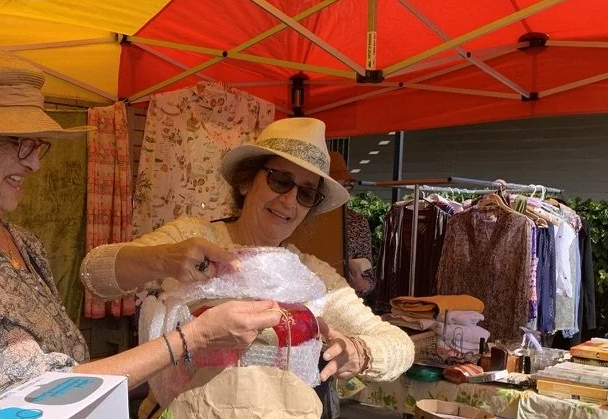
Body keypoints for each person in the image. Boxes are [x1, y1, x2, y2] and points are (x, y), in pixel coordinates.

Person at [0, 50, 283, 419]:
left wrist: (165, 263)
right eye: (19, 142)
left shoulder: (21, 242)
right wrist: (194, 337)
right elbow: (33, 394)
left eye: (38, 144)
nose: (35, 163)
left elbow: (60, 365)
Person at [80, 117, 414, 397]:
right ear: (245, 182)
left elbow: (400, 345)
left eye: (306, 193)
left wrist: (359, 353)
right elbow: (94, 274)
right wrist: (164, 259)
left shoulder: (311, 276)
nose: (289, 201)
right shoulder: (195, 239)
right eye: (280, 180)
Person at [329, 151, 377, 299]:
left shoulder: (357, 222)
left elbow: (369, 280)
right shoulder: (299, 218)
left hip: (343, 302)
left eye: (347, 187)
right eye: (337, 186)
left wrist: (359, 282)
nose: (344, 192)